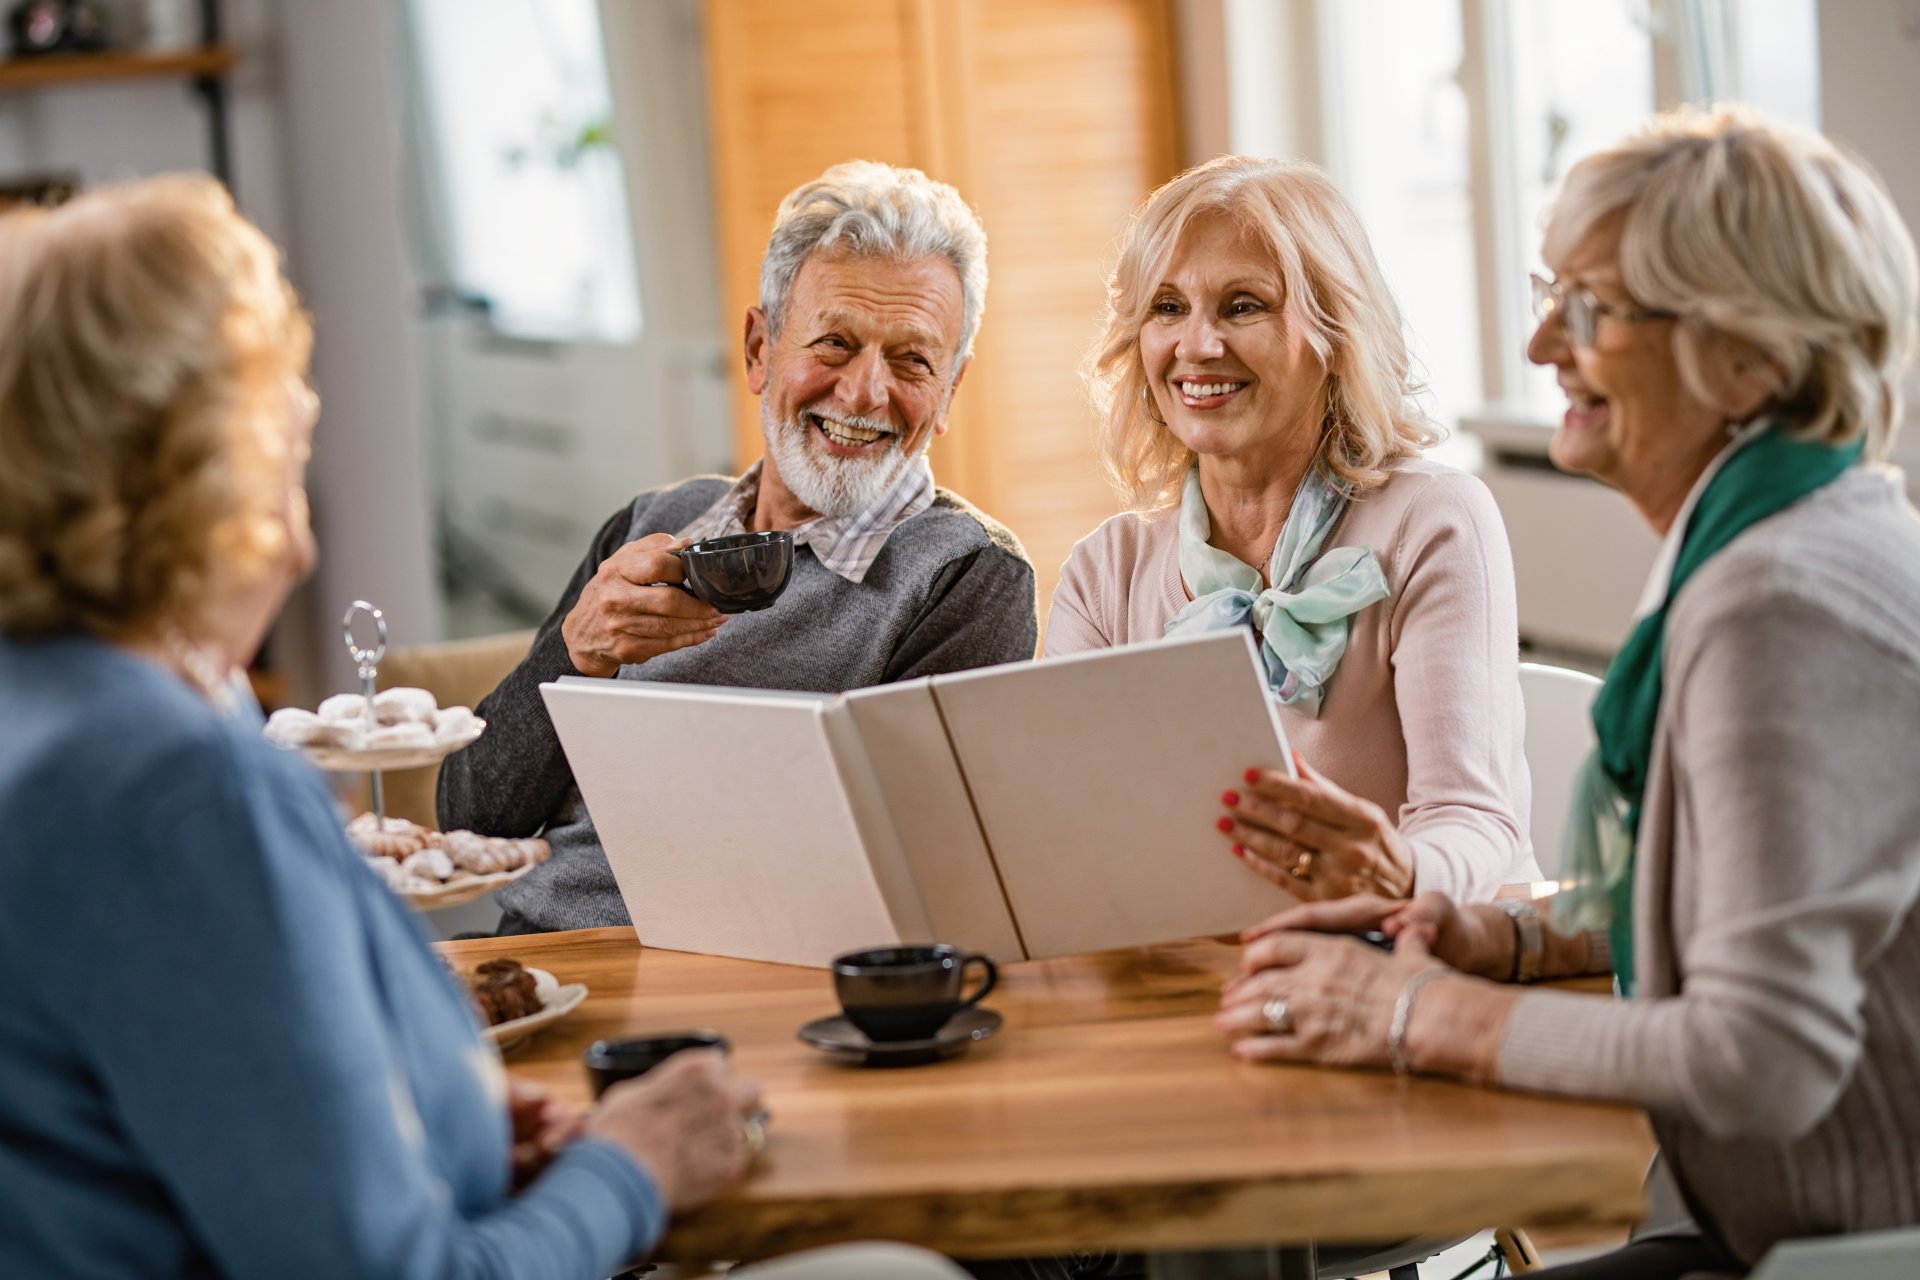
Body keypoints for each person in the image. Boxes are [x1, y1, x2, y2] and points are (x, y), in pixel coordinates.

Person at [0, 175, 778, 1279]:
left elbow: (182, 1112)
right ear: (213, 478)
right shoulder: (180, 787)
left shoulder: (46, 707)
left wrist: (438, 1123)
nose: (300, 525)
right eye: (287, 441)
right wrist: (632, 1166)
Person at [1223, 106, 1920, 1279]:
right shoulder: (1798, 527)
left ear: (1747, 355)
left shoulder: (1775, 603)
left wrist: (1410, 1011)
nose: (1542, 340)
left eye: (1591, 307)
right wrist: (1502, 937)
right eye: (1551, 293)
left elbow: (1763, 1058)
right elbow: (1747, 897)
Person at [440, 160, 1038, 935]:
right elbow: (472, 818)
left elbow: (913, 880)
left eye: (913, 360)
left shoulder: (965, 576)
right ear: (760, 350)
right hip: (534, 957)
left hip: (728, 975)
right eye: (835, 343)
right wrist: (574, 654)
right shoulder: (650, 523)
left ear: (950, 390)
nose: (865, 393)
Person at [1049, 155, 1536, 905]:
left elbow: (1473, 821)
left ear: (1336, 333)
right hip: (1199, 952)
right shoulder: (1104, 571)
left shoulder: (1434, 521)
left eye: (1242, 306)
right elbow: (1066, 824)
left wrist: (1391, 872)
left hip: (1415, 944)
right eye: (1168, 308)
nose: (1196, 345)